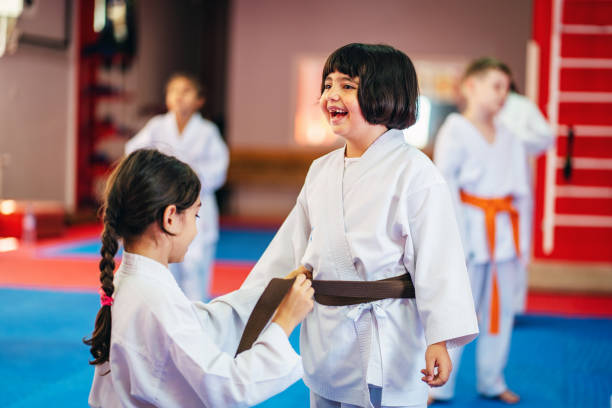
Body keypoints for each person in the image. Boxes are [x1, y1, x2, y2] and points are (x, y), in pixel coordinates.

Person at [226, 43, 479, 408]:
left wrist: (439, 339)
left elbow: (440, 262)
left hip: (386, 334)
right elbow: (287, 248)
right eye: (327, 85)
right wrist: (247, 308)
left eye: (346, 86)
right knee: (326, 395)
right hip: (327, 331)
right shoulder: (321, 170)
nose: (331, 95)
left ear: (385, 94)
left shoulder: (416, 172)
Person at [84, 149, 314, 407]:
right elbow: (227, 387)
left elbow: (201, 324)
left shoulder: (132, 283)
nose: (196, 228)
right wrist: (285, 322)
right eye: (196, 215)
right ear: (170, 218)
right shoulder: (154, 299)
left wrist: (271, 296)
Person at [430, 57, 529, 405]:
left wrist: (523, 245)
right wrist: (454, 239)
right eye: (496, 86)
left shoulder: (511, 136)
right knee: (456, 309)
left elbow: (522, 194)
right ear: (472, 86)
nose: (504, 94)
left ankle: (492, 379)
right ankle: (438, 384)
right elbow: (445, 185)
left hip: (504, 233)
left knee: (500, 314)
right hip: (468, 231)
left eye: (507, 88)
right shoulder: (455, 128)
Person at [125, 72, 229, 301]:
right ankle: (167, 321)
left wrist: (187, 181)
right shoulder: (157, 126)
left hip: (197, 207)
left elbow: (219, 170)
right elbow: (133, 154)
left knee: (196, 268)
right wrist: (157, 180)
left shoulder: (208, 132)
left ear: (199, 100)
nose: (179, 97)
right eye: (174, 91)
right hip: (164, 206)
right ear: (167, 99)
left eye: (186, 91)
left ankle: (196, 321)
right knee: (165, 267)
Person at [498, 83, 555, 314]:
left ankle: (513, 306)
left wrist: (515, 138)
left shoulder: (522, 107)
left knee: (516, 246)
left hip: (515, 188)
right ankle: (479, 305)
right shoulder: (478, 110)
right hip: (480, 192)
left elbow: (546, 137)